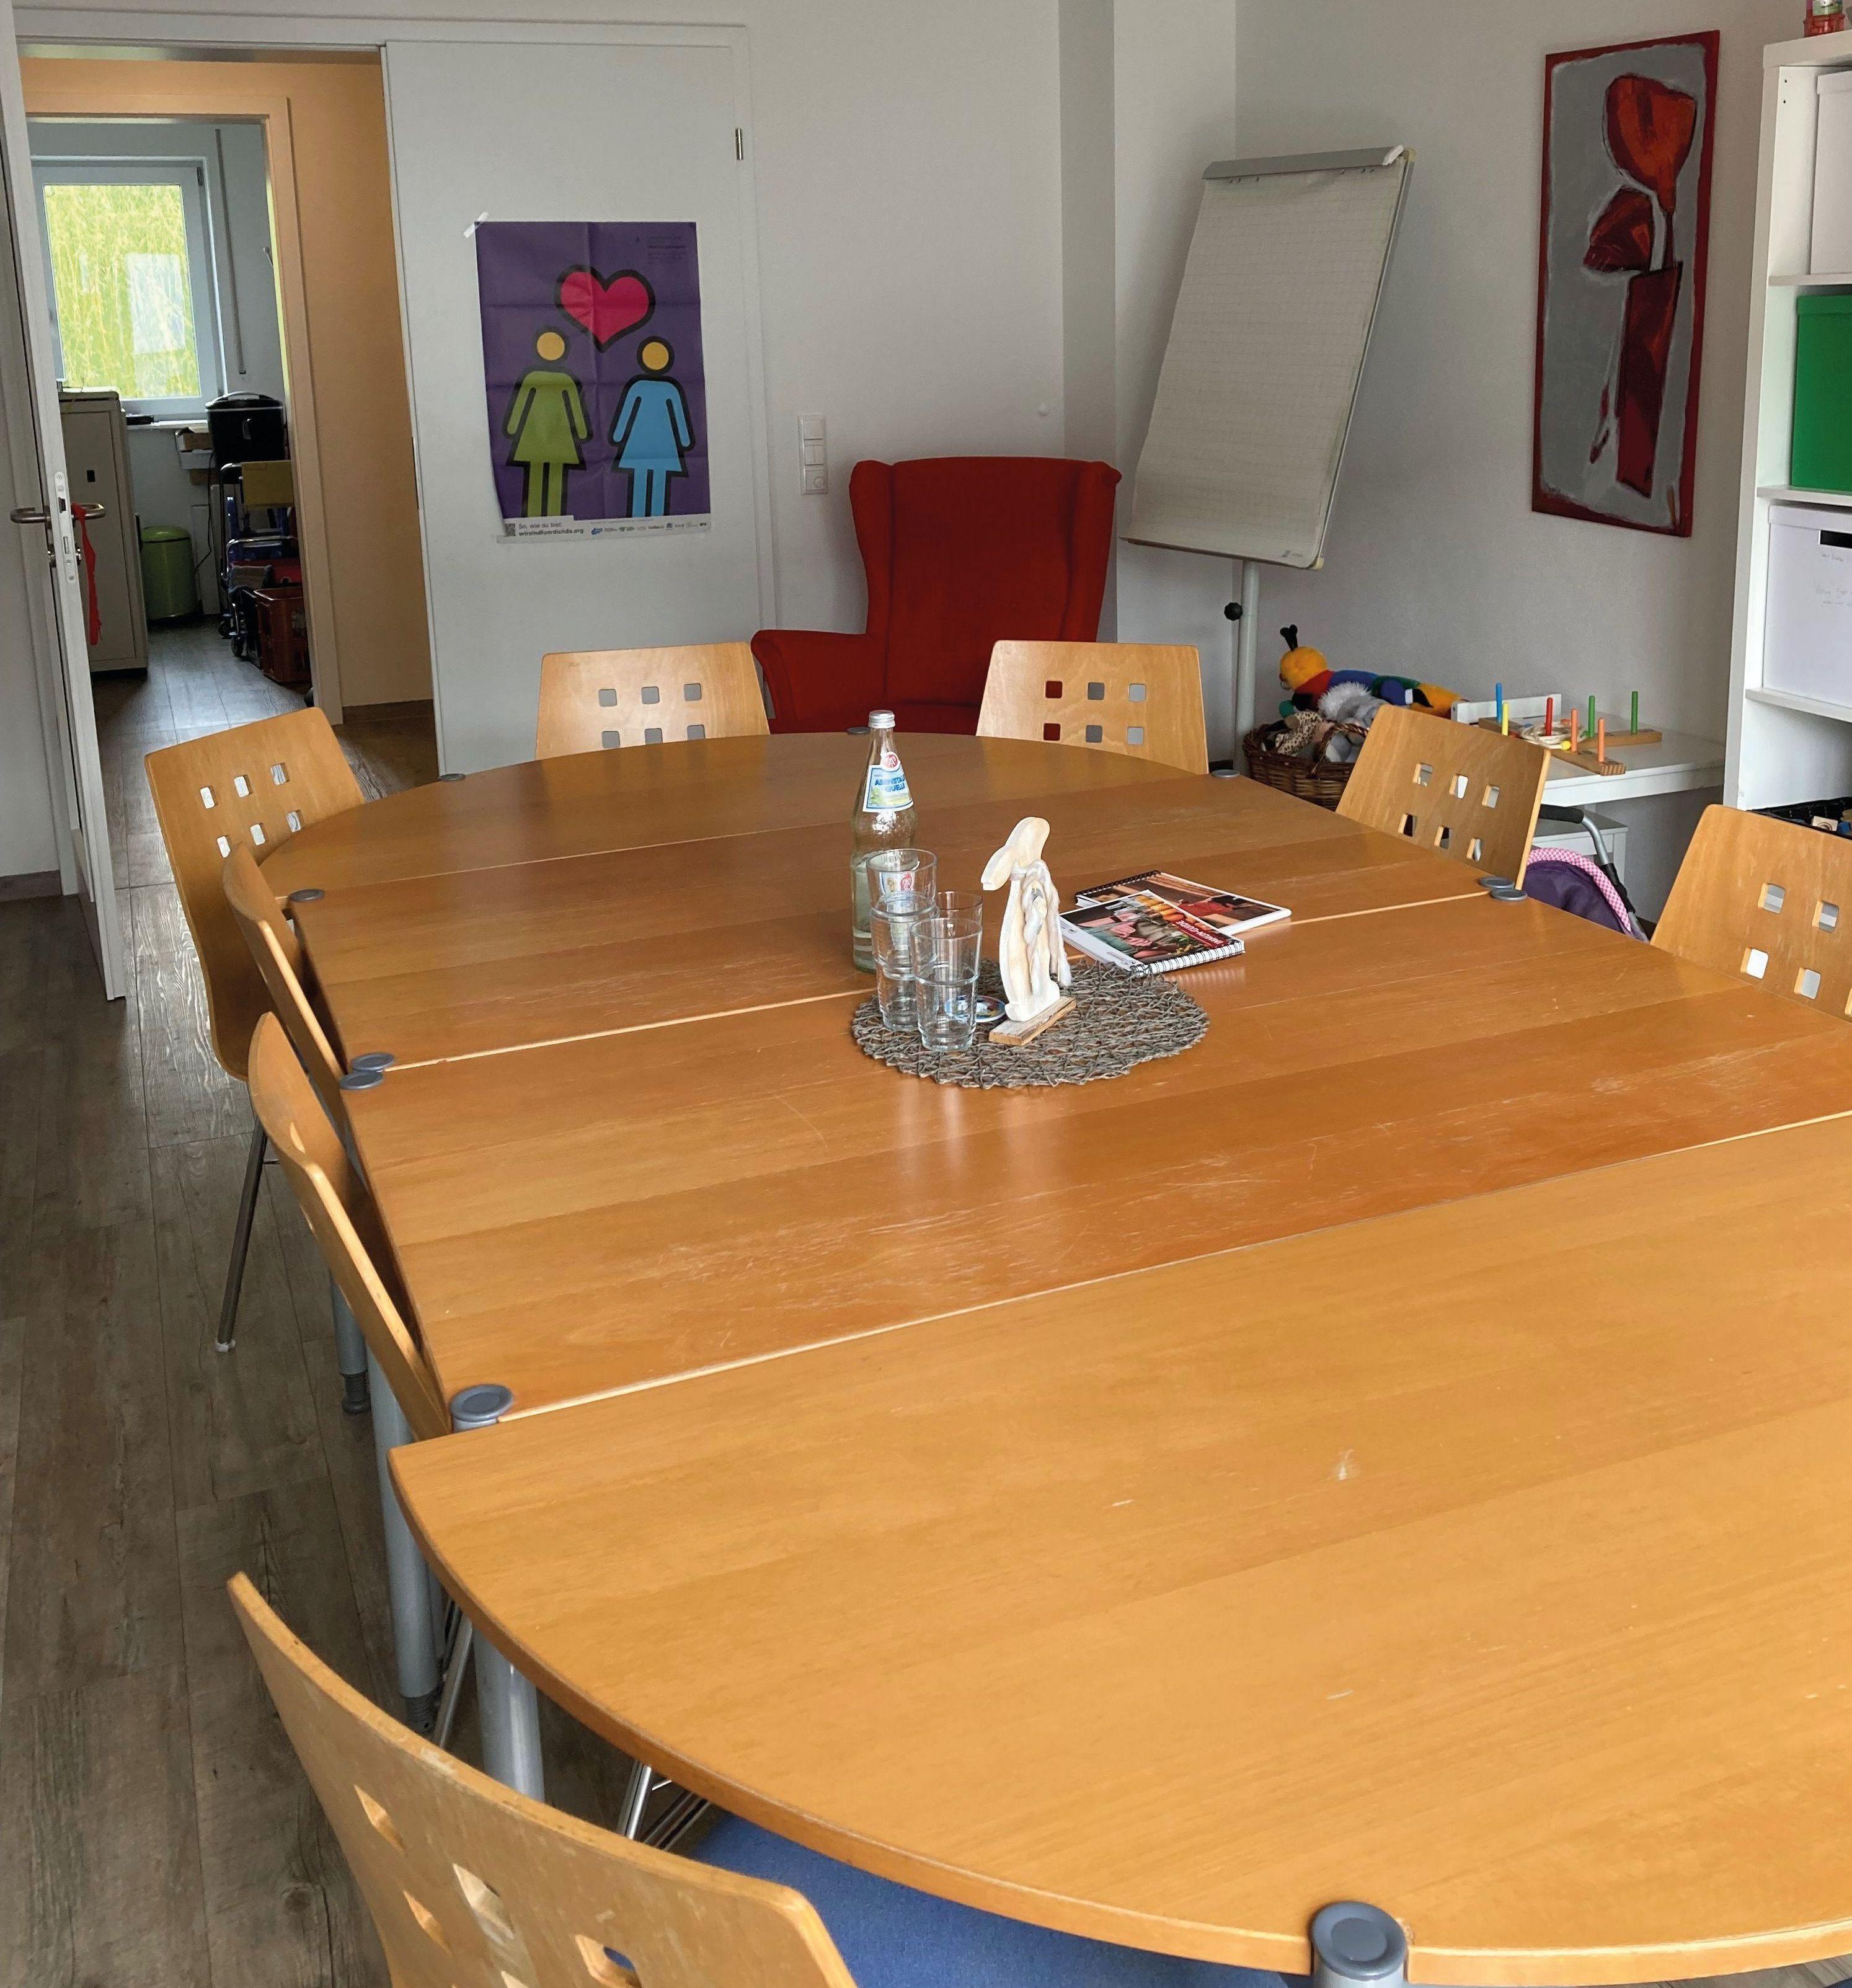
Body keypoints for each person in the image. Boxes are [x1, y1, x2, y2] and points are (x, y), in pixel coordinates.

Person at [503, 329, 589, 518]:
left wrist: (512, 427)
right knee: (546, 477)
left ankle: (543, 517)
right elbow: (575, 407)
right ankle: (544, 517)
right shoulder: (557, 379)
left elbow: (575, 405)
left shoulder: (545, 378)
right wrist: (582, 432)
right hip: (549, 436)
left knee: (544, 476)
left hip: (542, 435)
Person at [611, 337, 694, 518]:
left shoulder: (640, 387)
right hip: (664, 444)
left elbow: (627, 412)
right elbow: (679, 417)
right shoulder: (668, 389)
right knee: (657, 481)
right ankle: (652, 518)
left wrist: (618, 436)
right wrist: (685, 440)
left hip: (640, 442)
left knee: (642, 480)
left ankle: (641, 518)